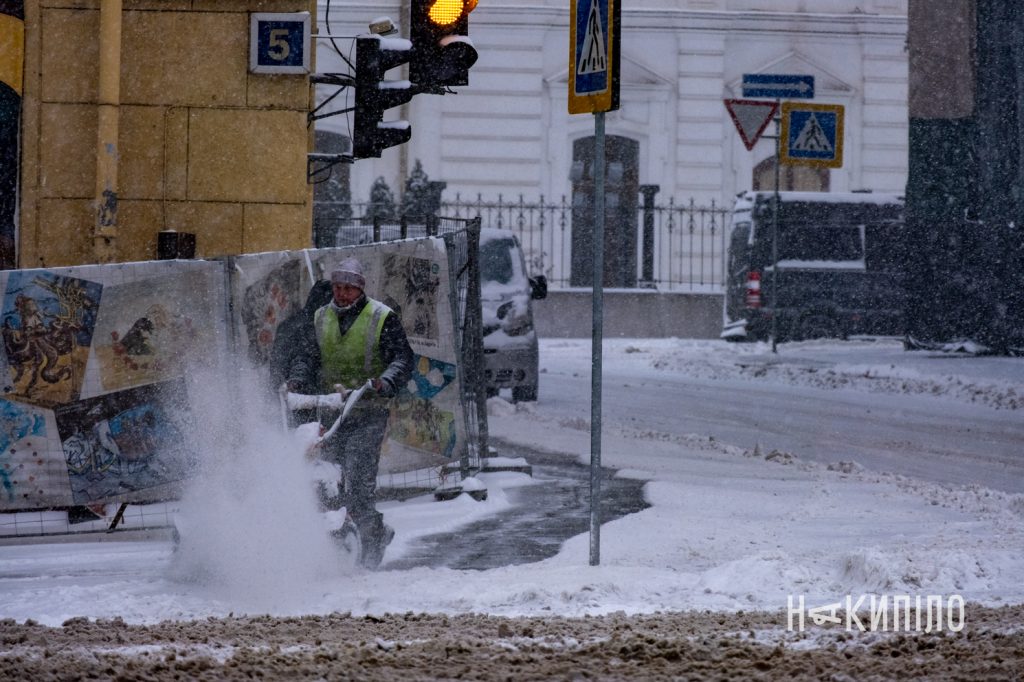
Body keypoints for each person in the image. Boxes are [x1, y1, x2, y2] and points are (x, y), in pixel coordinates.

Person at [287, 257, 414, 568]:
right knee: (328, 482)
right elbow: (307, 355)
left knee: (357, 482)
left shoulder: (382, 317)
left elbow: (402, 357)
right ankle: (335, 548)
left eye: (349, 289)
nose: (342, 294)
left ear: (361, 289)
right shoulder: (320, 317)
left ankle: (372, 542)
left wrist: (385, 381)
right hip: (332, 408)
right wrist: (298, 377)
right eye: (338, 287)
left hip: (368, 409)